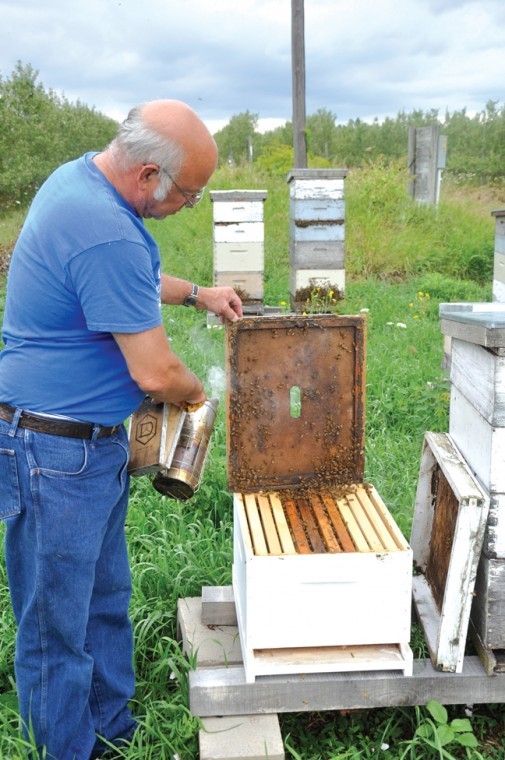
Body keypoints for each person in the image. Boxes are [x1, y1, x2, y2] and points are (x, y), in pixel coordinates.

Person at [0, 99, 242, 760]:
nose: (190, 204)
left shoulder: (82, 181)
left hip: (86, 447)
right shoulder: (102, 224)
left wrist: (199, 293)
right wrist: (199, 401)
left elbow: (125, 278)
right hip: (54, 453)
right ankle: (71, 750)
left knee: (105, 599)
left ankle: (110, 732)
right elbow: (156, 374)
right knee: (56, 628)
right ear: (145, 176)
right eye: (187, 194)